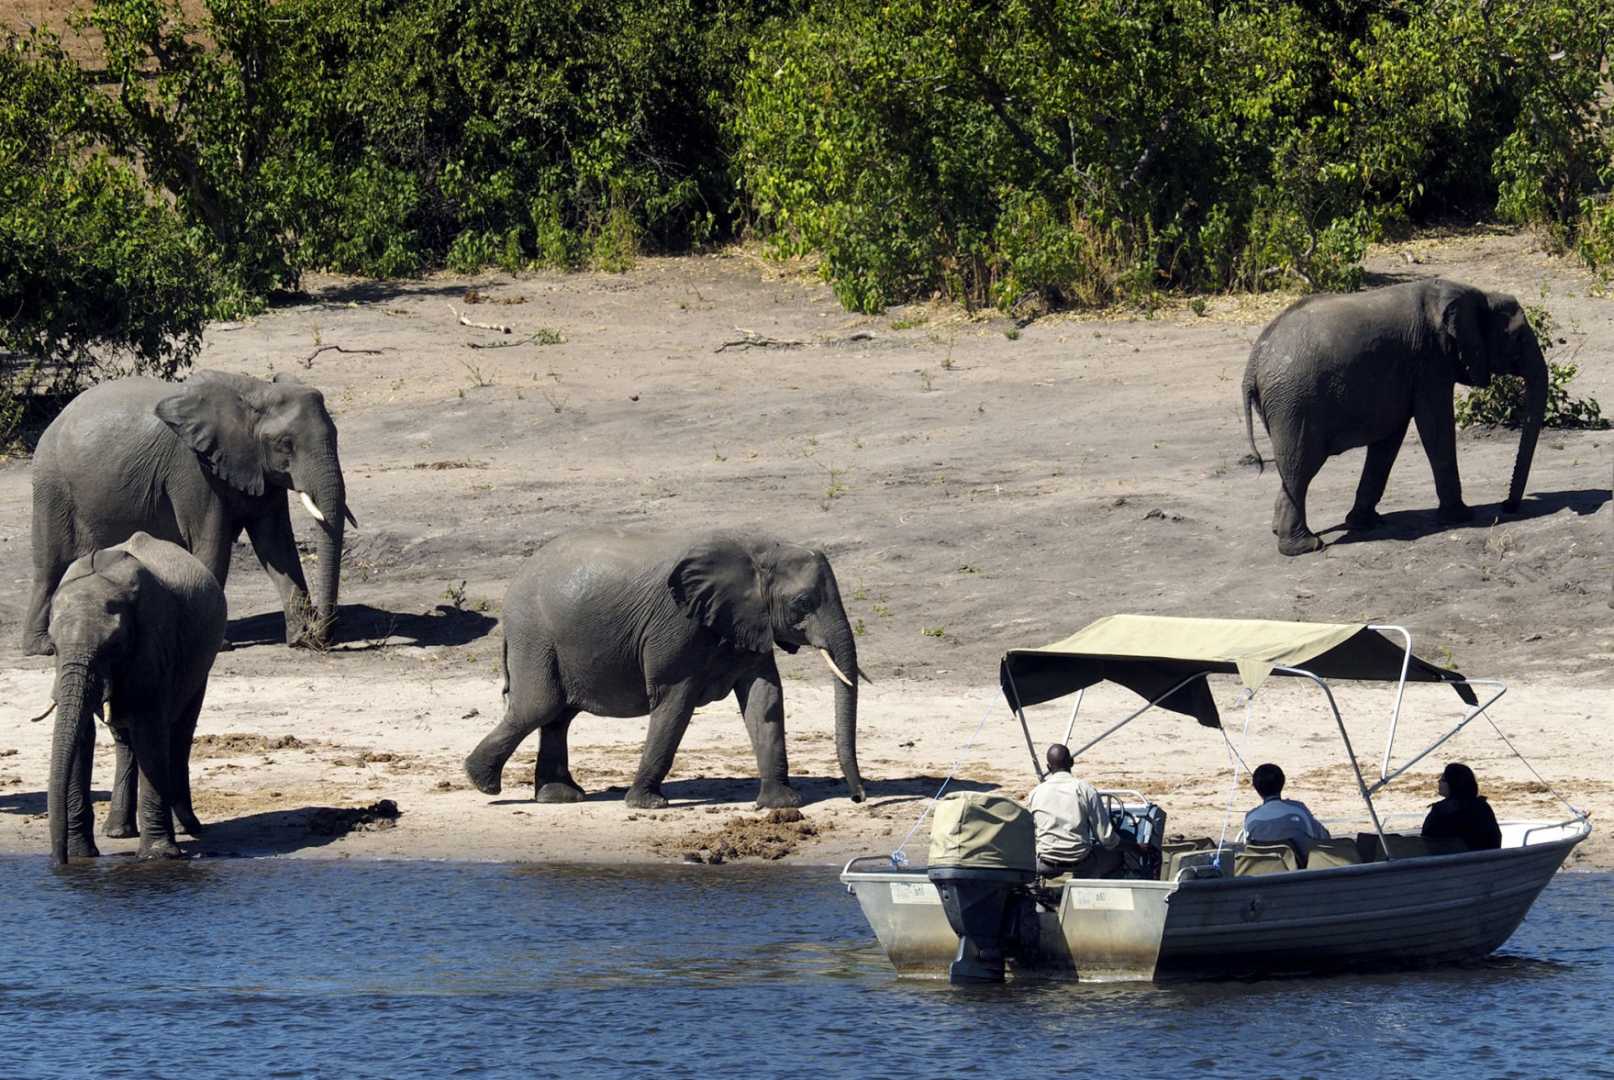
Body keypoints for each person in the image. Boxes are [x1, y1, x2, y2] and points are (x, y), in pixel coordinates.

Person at [1026, 744, 1122, 878]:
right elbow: (1106, 838)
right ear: (1071, 762)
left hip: (1046, 862)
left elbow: (1029, 832)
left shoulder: (1035, 793)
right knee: (1115, 857)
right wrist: (1130, 846)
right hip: (1080, 861)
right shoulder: (1085, 789)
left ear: (1048, 767)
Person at [1242, 763, 1330, 864]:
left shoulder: (1251, 818)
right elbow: (1324, 836)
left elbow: (1248, 849)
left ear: (1256, 788)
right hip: (1300, 874)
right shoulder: (1298, 810)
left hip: (1263, 873)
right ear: (1282, 782)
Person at [1421, 762, 1502, 851]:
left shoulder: (1441, 810)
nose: (1439, 781)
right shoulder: (1482, 807)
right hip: (1483, 860)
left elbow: (1426, 840)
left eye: (1443, 780)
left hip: (1448, 862)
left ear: (1453, 784)